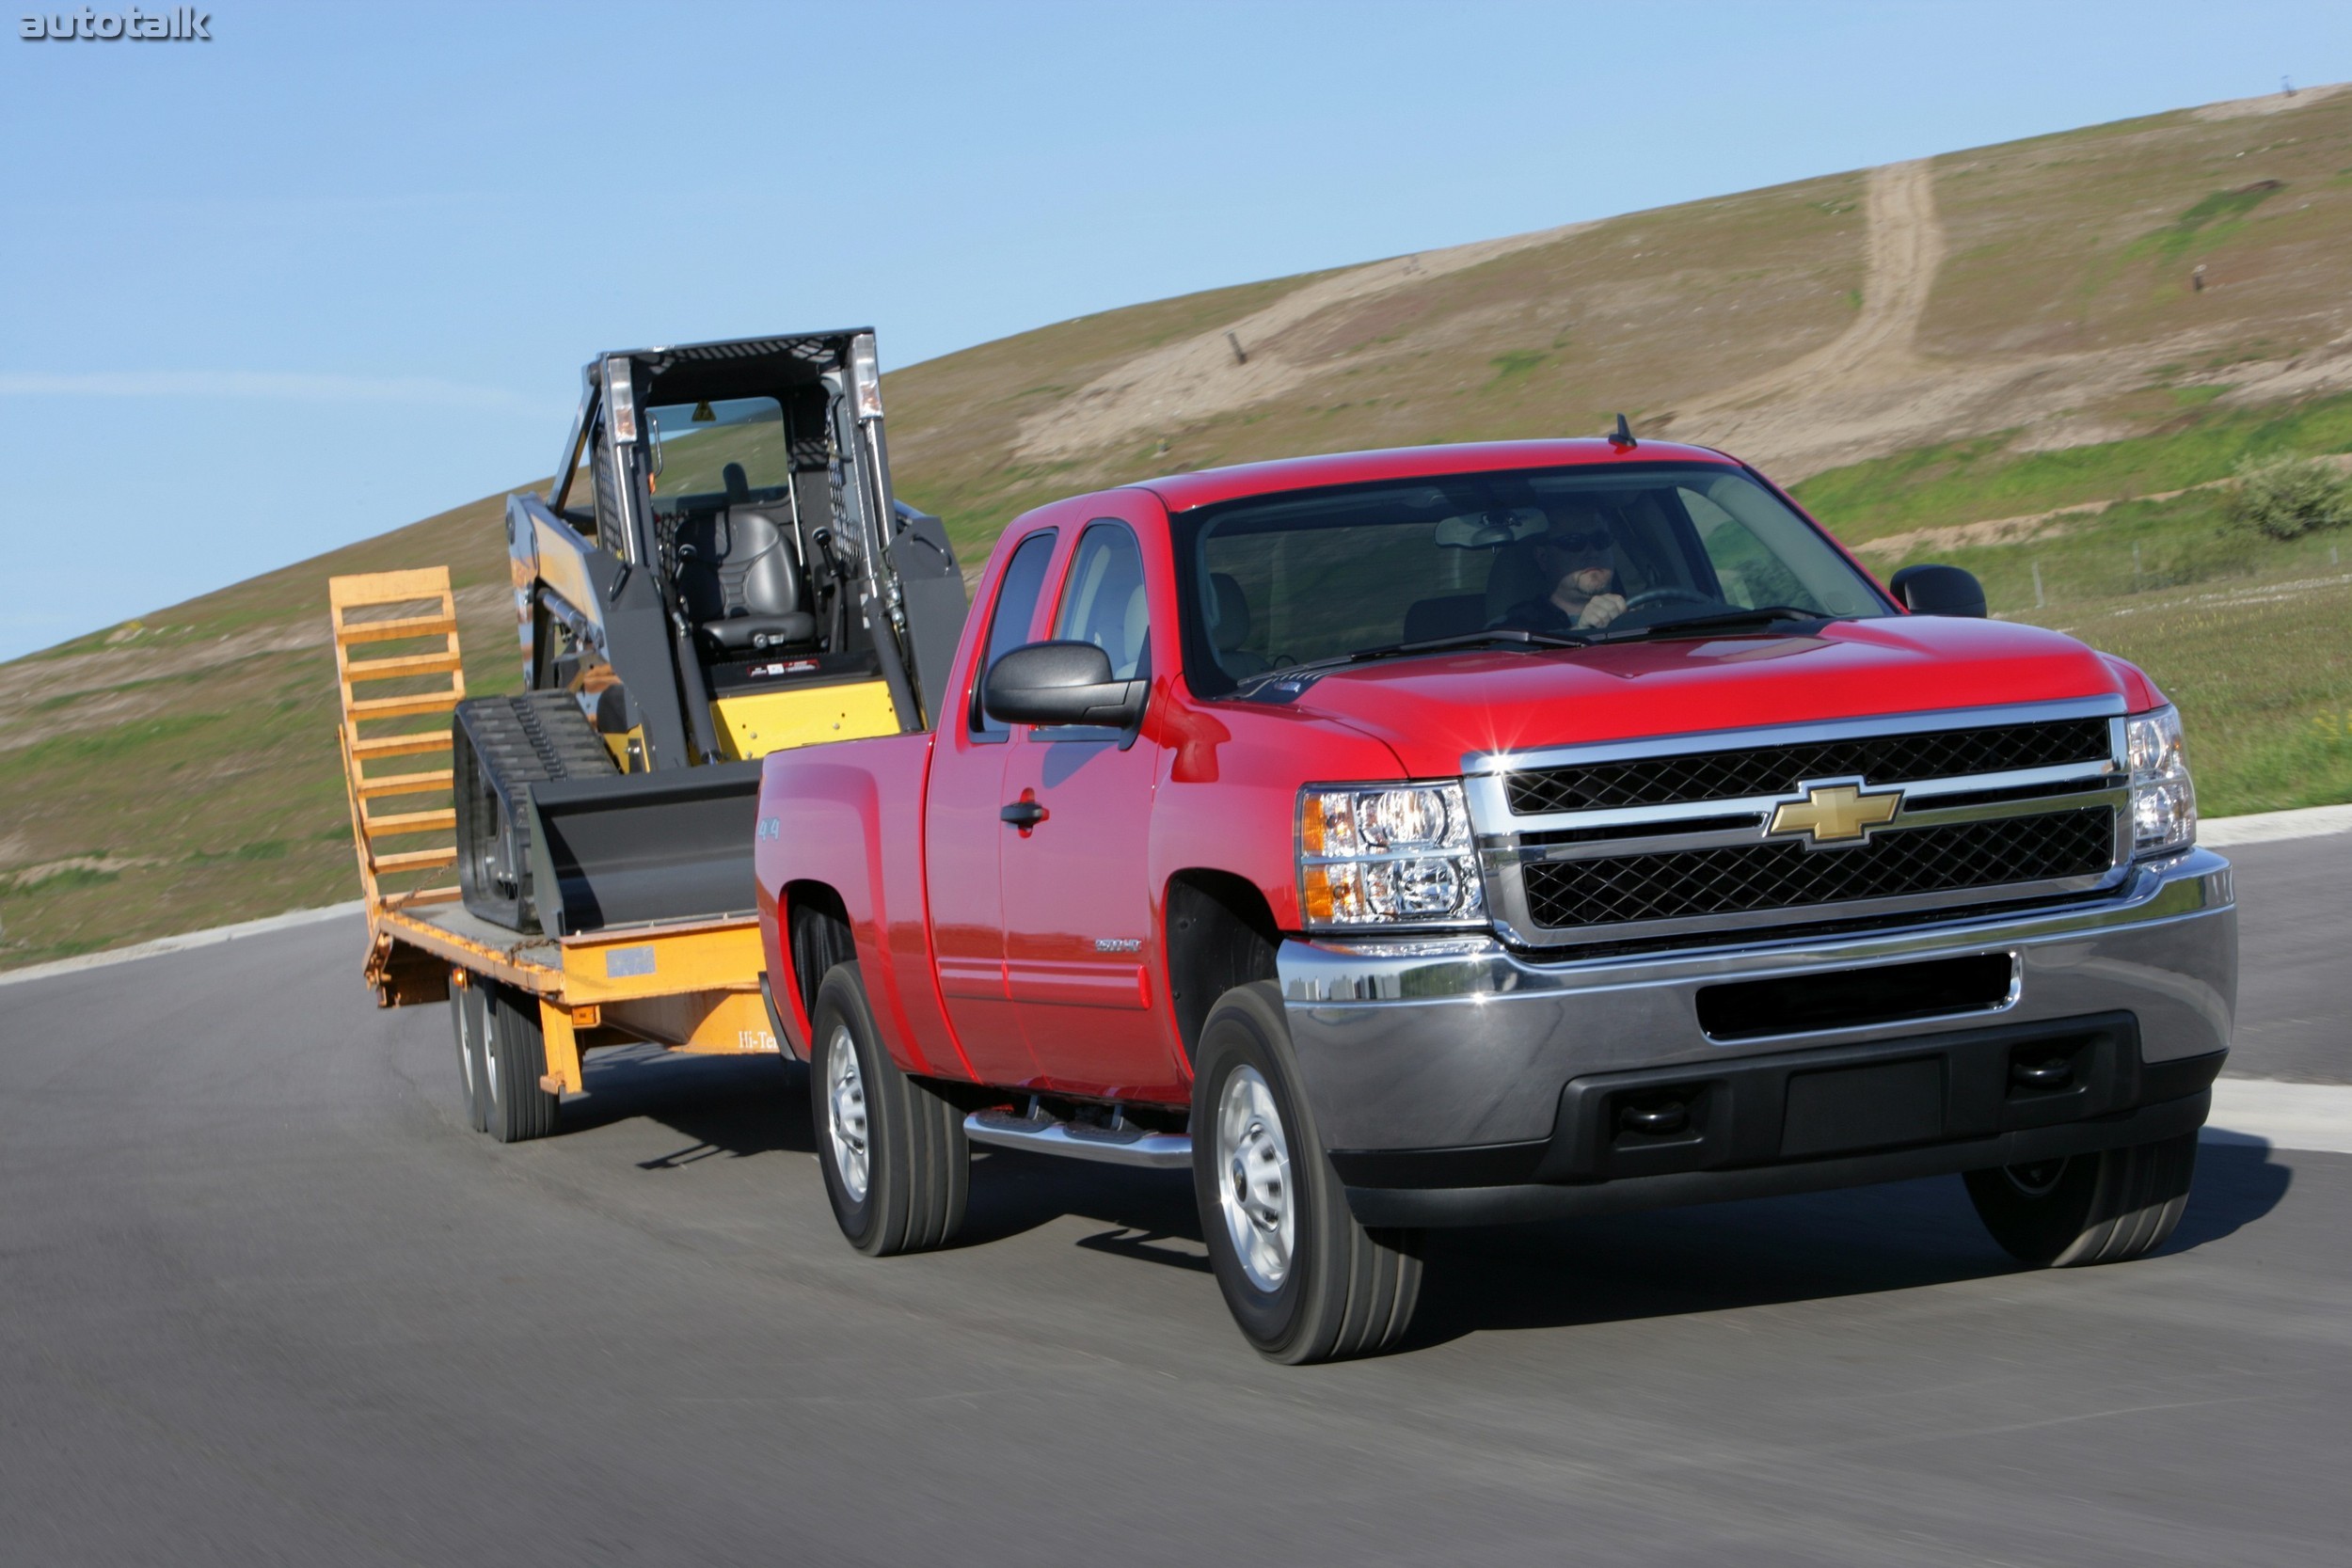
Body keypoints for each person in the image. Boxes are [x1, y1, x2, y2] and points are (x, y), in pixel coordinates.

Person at [1496, 513, 1629, 632]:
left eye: (1600, 539)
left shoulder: (1642, 611)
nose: (1592, 552)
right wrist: (1581, 632)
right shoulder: (1515, 626)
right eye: (1573, 541)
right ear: (1543, 557)